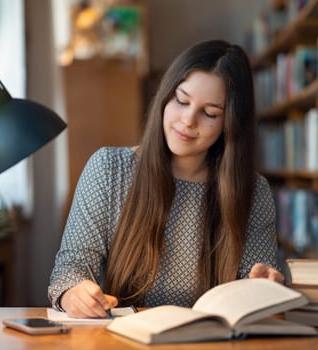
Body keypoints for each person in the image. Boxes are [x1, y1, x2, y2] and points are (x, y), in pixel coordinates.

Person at [48, 39, 283, 318]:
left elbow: (256, 283)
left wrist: (264, 286)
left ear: (230, 124)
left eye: (209, 113)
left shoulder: (253, 192)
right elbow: (69, 269)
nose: (188, 120)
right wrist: (73, 293)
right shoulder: (109, 169)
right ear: (165, 96)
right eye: (181, 101)